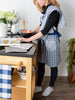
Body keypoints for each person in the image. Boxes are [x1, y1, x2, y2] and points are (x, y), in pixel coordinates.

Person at [17, 0, 66, 96]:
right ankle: (39, 86)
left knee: (53, 65)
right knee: (41, 64)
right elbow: (41, 25)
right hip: (43, 41)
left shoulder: (55, 11)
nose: (38, 2)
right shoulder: (46, 9)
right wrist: (32, 32)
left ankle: (51, 86)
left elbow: (44, 30)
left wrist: (28, 39)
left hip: (52, 41)